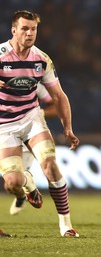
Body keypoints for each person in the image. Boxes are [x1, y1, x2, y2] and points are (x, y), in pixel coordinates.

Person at [0, 10, 79, 237]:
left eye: (33, 29)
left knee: (50, 164)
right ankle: (28, 182)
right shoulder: (1, 55)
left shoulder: (41, 59)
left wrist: (68, 128)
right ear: (13, 30)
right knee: (12, 182)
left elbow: (59, 96)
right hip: (4, 125)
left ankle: (66, 225)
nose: (29, 33)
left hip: (31, 117)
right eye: (24, 28)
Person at [9, 83, 57, 215]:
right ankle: (22, 194)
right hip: (3, 133)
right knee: (11, 181)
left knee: (14, 181)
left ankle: (22, 191)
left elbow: (55, 107)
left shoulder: (35, 86)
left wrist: (41, 113)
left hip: (25, 136)